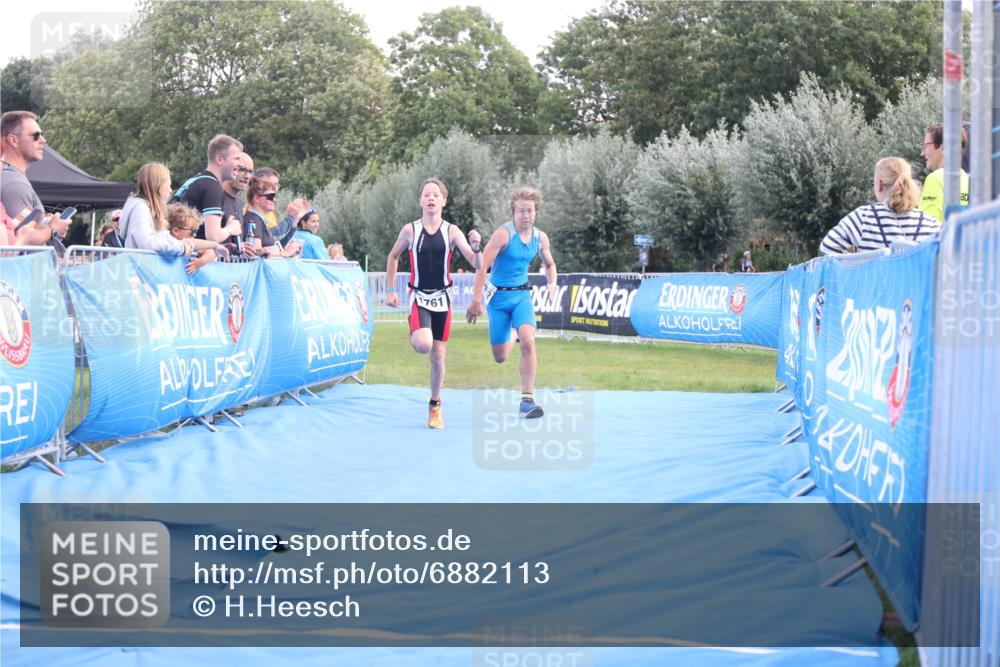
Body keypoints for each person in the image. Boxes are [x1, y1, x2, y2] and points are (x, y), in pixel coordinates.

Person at [385, 178, 482, 429]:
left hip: (443, 299)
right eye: (426, 194)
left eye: (436, 195)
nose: (431, 198)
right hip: (419, 297)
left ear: (443, 201)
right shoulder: (410, 230)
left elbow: (476, 263)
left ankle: (435, 406)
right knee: (423, 344)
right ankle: (416, 330)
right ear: (420, 200)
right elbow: (393, 256)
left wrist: (476, 248)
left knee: (438, 356)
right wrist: (390, 289)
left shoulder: (451, 231)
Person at [467, 186, 556, 419]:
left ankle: (527, 400)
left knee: (529, 341)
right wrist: (476, 300)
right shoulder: (503, 235)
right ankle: (513, 336)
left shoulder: (540, 238)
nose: (525, 216)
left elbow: (550, 264)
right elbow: (482, 267)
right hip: (497, 300)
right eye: (520, 211)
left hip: (521, 296)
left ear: (536, 211)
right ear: (513, 212)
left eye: (529, 211)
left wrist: (552, 285)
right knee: (500, 357)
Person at [820, 157, 941, 255]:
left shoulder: (863, 217)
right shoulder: (931, 224)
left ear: (879, 185)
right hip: (917, 285)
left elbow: (828, 247)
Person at [120, 162, 225, 267]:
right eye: (168, 185)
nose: (171, 190)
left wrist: (213, 246)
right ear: (158, 185)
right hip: (139, 273)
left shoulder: (149, 209)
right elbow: (147, 243)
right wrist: (181, 247)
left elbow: (169, 240)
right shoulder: (140, 209)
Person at [0, 110, 68, 249]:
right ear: (13, 140)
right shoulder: (14, 184)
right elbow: (22, 237)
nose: (43, 140)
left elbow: (31, 228)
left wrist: (48, 223)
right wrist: (53, 229)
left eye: (42, 135)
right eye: (36, 136)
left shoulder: (13, 178)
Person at [172, 134, 244, 242]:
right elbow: (213, 236)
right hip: (189, 256)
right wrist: (231, 228)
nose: (241, 165)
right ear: (219, 159)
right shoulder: (212, 186)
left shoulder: (197, 180)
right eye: (237, 159)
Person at [919, 122, 970, 223]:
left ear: (943, 149)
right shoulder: (967, 178)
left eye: (925, 146)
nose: (922, 153)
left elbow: (926, 223)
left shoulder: (935, 178)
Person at [242, 175, 301, 258]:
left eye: (275, 196)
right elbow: (255, 253)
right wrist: (286, 253)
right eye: (270, 197)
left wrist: (287, 251)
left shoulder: (257, 219)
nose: (274, 200)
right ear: (257, 198)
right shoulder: (253, 219)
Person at [166, 202, 220, 275]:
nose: (195, 234)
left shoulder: (190, 245)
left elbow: (212, 251)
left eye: (196, 230)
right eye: (193, 231)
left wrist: (199, 262)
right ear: (176, 231)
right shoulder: (164, 244)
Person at [221, 152, 255, 255]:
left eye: (250, 172)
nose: (247, 176)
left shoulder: (239, 202)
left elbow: (235, 243)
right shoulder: (214, 196)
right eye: (242, 170)